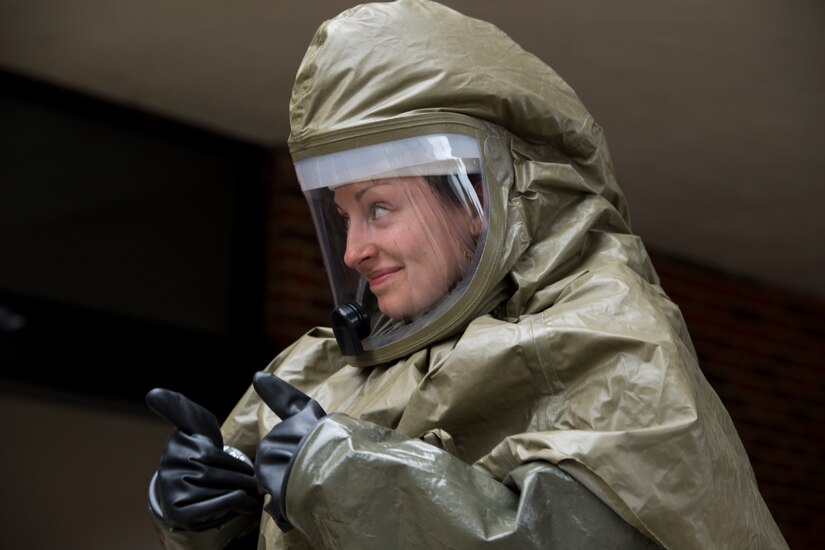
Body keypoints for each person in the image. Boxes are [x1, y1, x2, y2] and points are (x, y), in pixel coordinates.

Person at [145, 1, 788, 548]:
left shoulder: (611, 337)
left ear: (482, 196)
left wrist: (348, 480)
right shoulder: (317, 373)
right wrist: (210, 516)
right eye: (342, 218)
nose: (353, 252)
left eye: (379, 207)